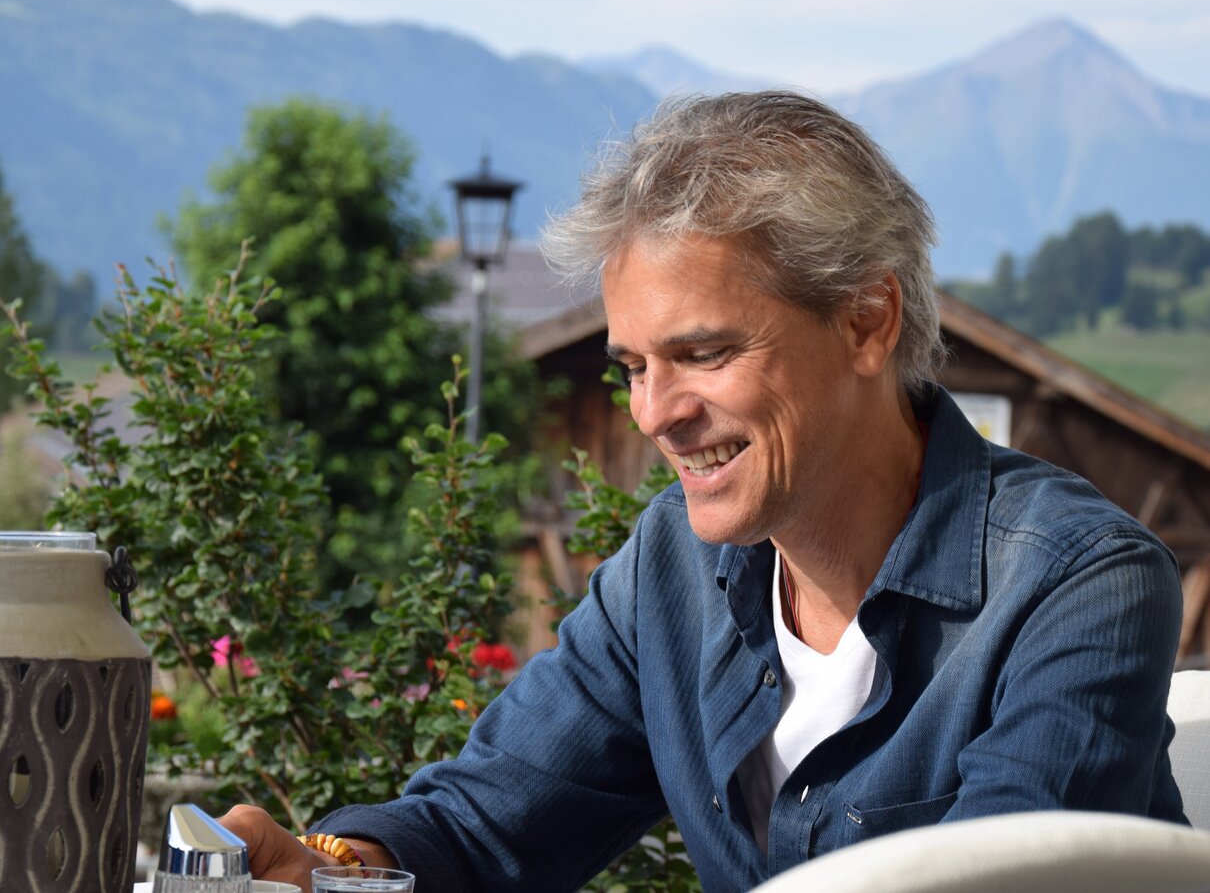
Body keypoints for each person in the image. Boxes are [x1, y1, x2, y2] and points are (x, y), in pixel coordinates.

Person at [222, 91, 1186, 892]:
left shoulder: (1078, 584)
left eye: (705, 353)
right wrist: (324, 868)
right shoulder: (672, 568)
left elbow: (1001, 882)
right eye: (633, 367)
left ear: (866, 321)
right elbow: (484, 825)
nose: (655, 413)